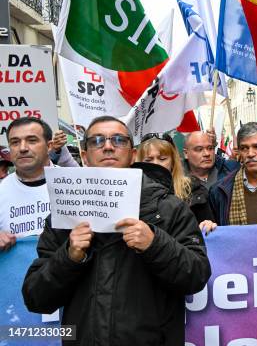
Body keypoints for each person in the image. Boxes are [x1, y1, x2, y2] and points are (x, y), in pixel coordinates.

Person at [22, 115, 211, 345]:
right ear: (84, 156)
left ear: (132, 155)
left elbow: (197, 276)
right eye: (97, 141)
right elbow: (36, 298)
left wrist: (155, 244)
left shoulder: (168, 208)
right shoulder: (64, 216)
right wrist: (69, 257)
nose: (108, 146)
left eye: (119, 140)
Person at [0, 118, 55, 251]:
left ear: (49, 146)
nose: (23, 148)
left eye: (32, 140)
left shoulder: (75, 184)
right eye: (15, 142)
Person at [183, 130, 240, 223]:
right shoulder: (176, 180)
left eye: (210, 148)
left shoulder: (232, 170)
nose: (207, 154)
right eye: (199, 149)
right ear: (186, 153)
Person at [136, 132, 191, 201]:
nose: (155, 164)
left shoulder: (190, 190)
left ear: (173, 160)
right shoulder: (132, 191)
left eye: (162, 159)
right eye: (148, 160)